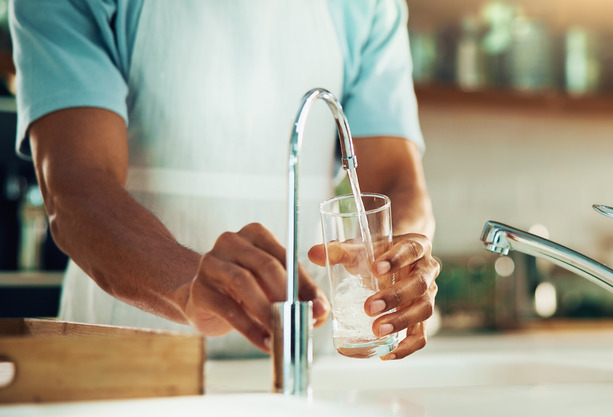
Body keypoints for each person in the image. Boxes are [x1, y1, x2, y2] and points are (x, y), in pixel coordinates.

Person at [9, 0, 439, 360]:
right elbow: (75, 186)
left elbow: (396, 178)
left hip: (304, 355)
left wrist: (399, 260)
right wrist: (186, 283)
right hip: (128, 355)